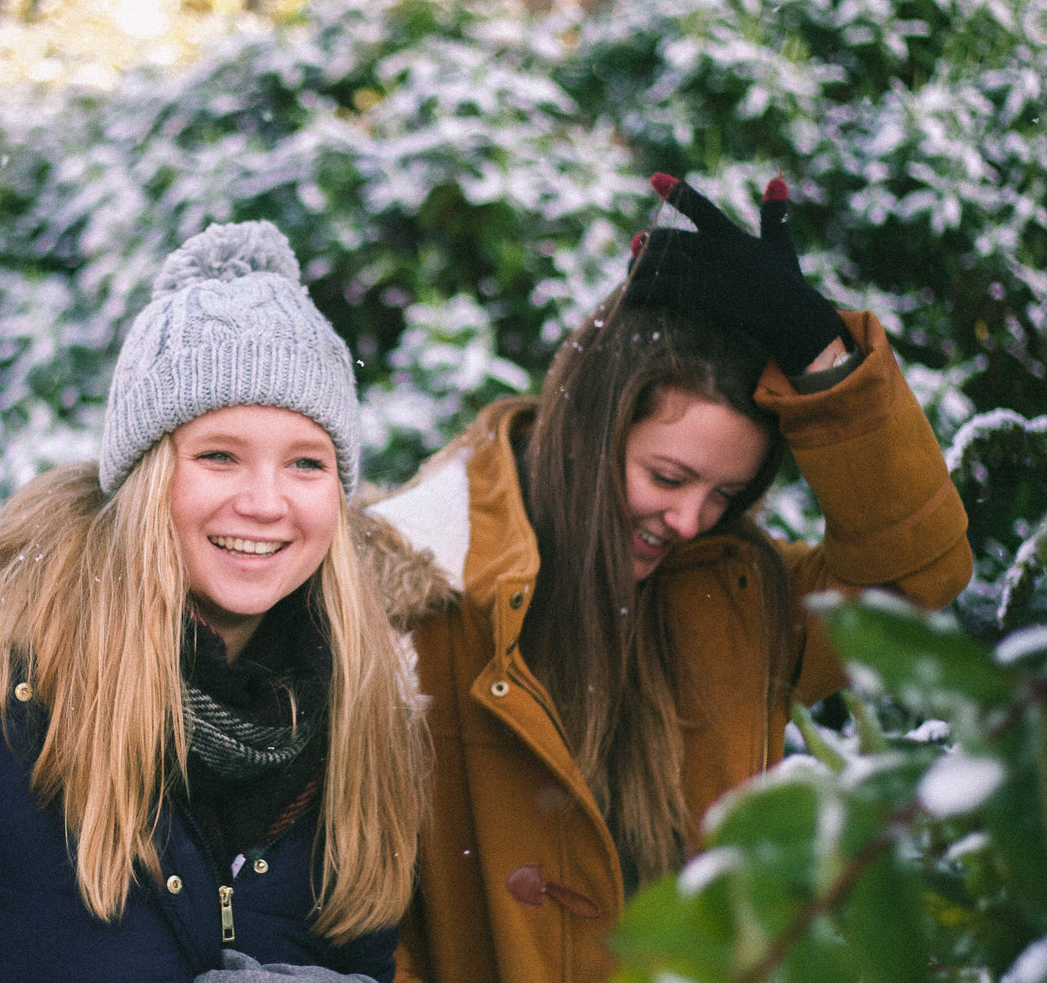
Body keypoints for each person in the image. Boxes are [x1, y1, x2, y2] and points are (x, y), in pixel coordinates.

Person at [0, 221, 430, 983]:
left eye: (307, 463)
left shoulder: (359, 716)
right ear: (145, 477)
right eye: (219, 455)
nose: (266, 502)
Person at [367, 173, 974, 983]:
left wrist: (822, 360)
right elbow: (361, 916)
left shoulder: (737, 595)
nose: (690, 521)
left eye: (725, 495)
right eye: (667, 476)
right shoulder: (418, 590)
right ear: (592, 426)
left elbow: (918, 580)